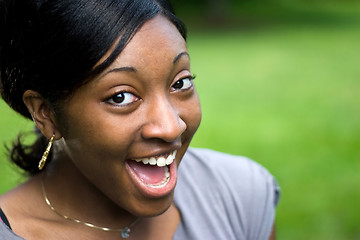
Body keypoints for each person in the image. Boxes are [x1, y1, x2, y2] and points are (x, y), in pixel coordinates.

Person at [0, 0, 280, 239]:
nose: (172, 127)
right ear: (45, 112)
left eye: (180, 83)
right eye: (121, 97)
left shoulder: (241, 196)